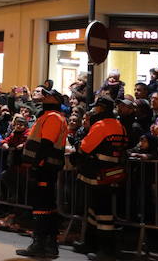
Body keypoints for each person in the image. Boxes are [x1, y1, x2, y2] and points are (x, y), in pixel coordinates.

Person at [72, 96, 129, 261]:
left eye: (96, 108)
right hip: (113, 173)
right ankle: (90, 244)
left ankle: (105, 250)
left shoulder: (101, 125)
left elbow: (84, 147)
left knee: (102, 212)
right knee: (94, 208)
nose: (93, 110)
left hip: (97, 172)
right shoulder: (120, 126)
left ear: (102, 108)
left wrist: (77, 149)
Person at [16, 88, 68, 258]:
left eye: (48, 95)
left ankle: (40, 244)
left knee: (41, 206)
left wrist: (37, 164)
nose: (44, 97)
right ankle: (49, 245)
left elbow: (46, 143)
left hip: (45, 167)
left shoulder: (53, 117)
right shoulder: (48, 116)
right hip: (45, 166)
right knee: (47, 206)